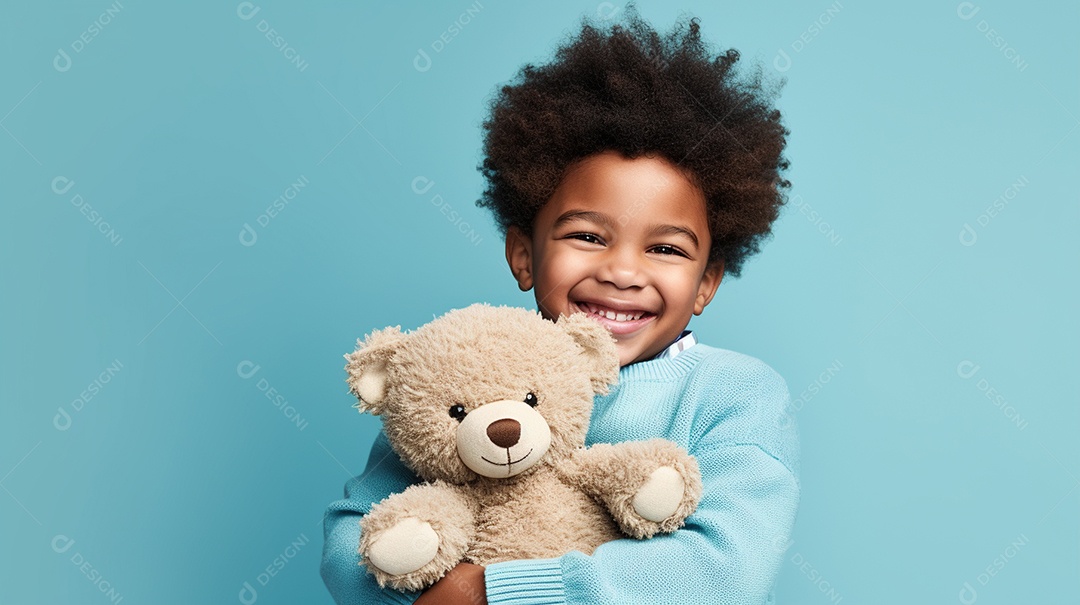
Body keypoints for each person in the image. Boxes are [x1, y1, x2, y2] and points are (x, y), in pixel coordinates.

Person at [321, 4, 800, 603]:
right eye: (587, 237)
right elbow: (355, 535)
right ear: (524, 254)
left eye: (666, 248)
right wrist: (407, 592)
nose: (623, 271)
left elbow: (724, 571)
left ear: (707, 283)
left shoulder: (735, 396)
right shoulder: (454, 383)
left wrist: (495, 592)